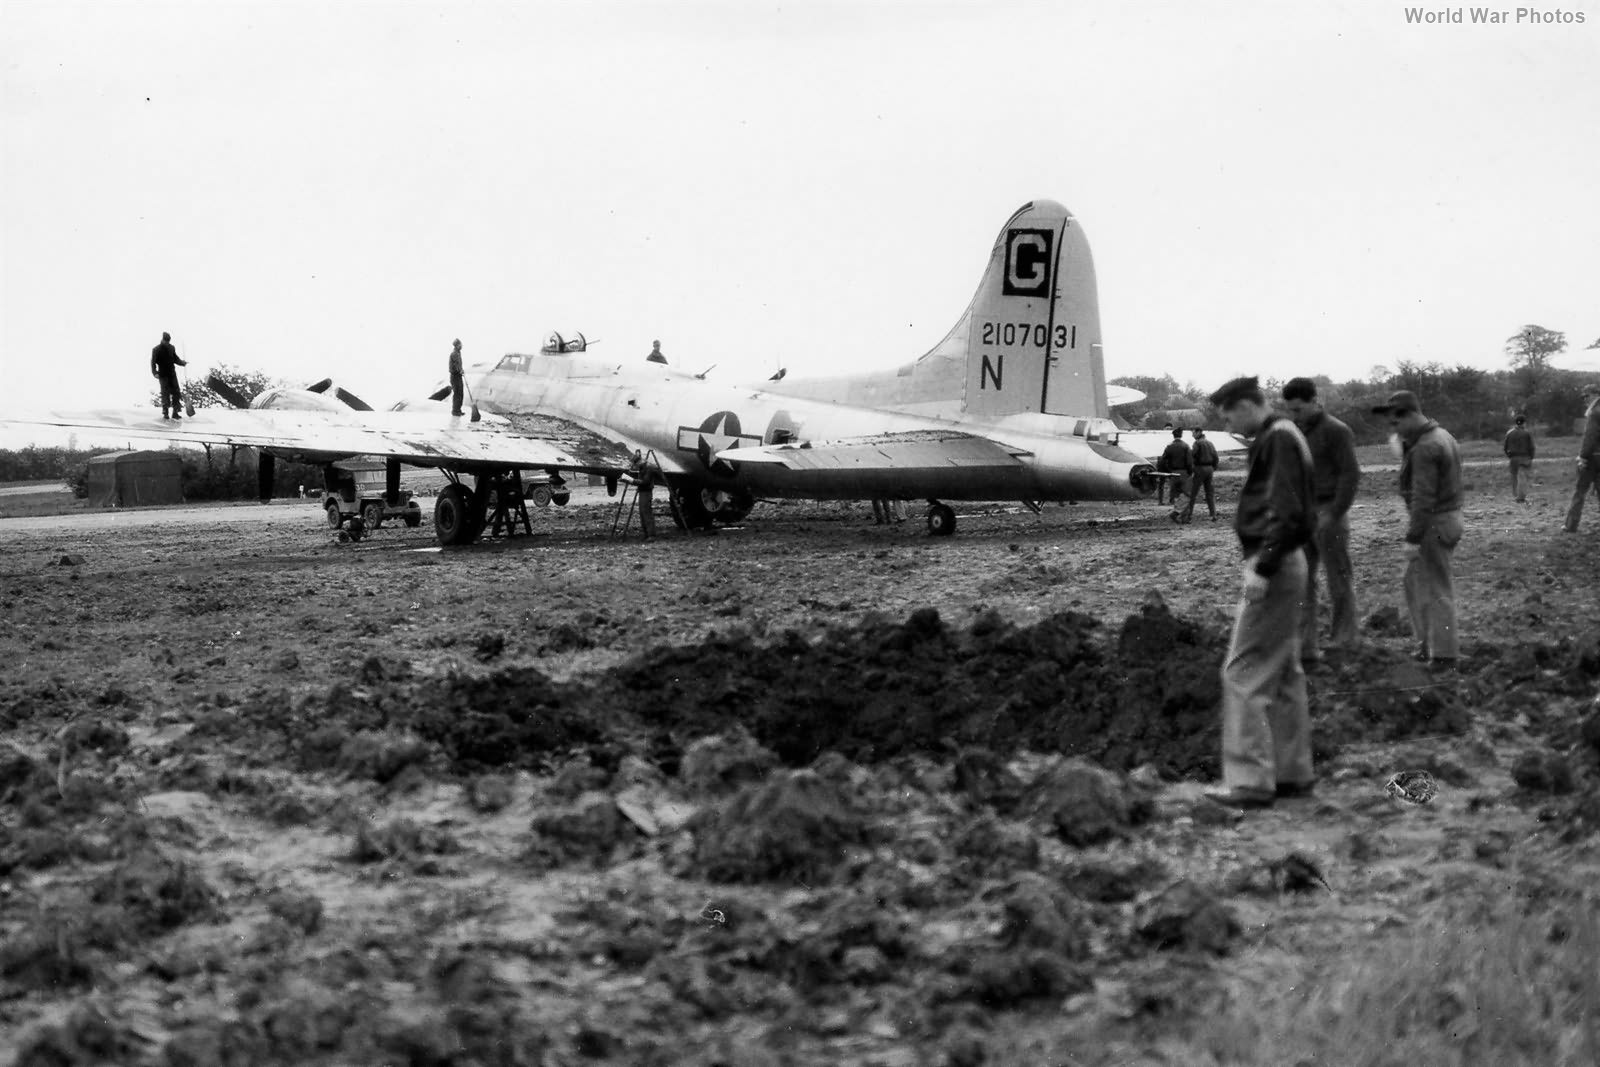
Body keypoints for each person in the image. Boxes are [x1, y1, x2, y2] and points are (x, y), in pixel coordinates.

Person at [1205, 376, 1317, 810]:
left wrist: (1263, 566)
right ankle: (1293, 774)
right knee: (1285, 673)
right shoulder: (1282, 436)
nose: (1229, 421)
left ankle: (1249, 780)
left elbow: (1289, 513)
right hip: (1287, 562)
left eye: (1230, 413)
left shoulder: (1279, 439)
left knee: (1243, 671)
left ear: (1249, 405)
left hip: (1276, 562)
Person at [1372, 390, 1464, 669]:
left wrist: (1413, 538)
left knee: (1436, 588)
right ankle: (1428, 644)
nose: (1393, 429)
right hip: (1447, 518)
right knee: (1415, 582)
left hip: (1433, 523)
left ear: (1410, 415)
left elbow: (1423, 497)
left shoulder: (1426, 447)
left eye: (1395, 423)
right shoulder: (1442, 436)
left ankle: (1444, 655)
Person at [1281, 377, 1362, 663]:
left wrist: (1335, 513)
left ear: (1316, 402)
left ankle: (1345, 641)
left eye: (1299, 409)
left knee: (1338, 577)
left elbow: (1350, 475)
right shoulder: (1294, 432)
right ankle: (1306, 646)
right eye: (1290, 410)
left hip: (1329, 514)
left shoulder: (1336, 431)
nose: (1294, 415)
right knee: (1302, 581)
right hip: (1303, 515)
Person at [1565, 382, 1600, 533]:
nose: (1584, 400)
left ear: (1594, 395)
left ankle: (1571, 525)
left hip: (1593, 458)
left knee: (1580, 491)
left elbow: (1590, 437)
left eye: (1586, 396)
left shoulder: (1594, 412)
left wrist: (1582, 457)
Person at [1180, 427, 1219, 523]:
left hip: (1200, 469)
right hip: (1209, 469)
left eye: (1193, 433)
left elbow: (1192, 455)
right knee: (1209, 493)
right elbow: (1216, 457)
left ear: (1198, 432)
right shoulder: (1210, 443)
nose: (1192, 435)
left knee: (1192, 493)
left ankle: (1188, 516)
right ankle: (1213, 514)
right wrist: (1213, 468)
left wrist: (1190, 468)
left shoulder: (1197, 443)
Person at [150, 332, 187, 419]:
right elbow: (153, 363)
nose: (167, 343)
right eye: (166, 341)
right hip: (163, 375)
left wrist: (182, 363)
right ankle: (165, 412)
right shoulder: (156, 349)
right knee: (165, 393)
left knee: (176, 392)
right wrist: (155, 373)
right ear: (162, 340)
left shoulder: (172, 348)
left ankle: (175, 412)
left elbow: (175, 358)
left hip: (172, 374)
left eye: (168, 341)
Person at [1158, 427, 1193, 516]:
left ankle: (1176, 510)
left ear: (1173, 436)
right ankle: (1181, 514)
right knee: (1186, 493)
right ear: (1181, 435)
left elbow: (1163, 460)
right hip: (1184, 472)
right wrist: (1190, 472)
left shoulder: (1169, 446)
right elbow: (1189, 461)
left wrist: (1168, 471)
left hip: (1173, 472)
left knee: (1175, 494)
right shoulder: (1186, 446)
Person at [1502, 414, 1535, 504]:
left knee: (1514, 477)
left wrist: (1510, 456)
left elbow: (1505, 447)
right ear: (1524, 423)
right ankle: (1521, 497)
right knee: (1523, 478)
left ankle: (1515, 495)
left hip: (1513, 458)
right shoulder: (1527, 433)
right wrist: (1531, 457)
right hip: (1525, 458)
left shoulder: (1509, 433)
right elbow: (1532, 447)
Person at [448, 339, 465, 416]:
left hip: (458, 376)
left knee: (460, 393)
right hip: (455, 376)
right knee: (457, 393)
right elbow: (456, 365)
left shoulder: (458, 353)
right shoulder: (454, 354)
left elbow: (459, 365)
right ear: (457, 345)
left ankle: (458, 410)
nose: (461, 346)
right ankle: (455, 411)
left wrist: (461, 370)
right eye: (460, 344)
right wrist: (460, 370)